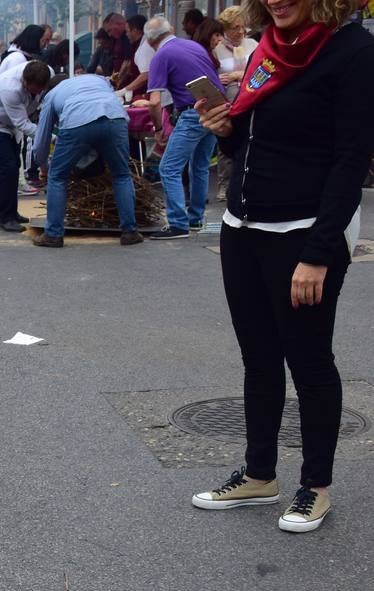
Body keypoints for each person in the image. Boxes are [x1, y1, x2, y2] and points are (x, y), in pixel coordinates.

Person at [192, 0, 374, 532]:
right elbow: (250, 142)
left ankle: (315, 486)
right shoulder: (269, 51)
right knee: (259, 357)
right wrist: (224, 128)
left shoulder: (355, 53)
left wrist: (318, 254)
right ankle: (259, 474)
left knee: (310, 362)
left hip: (305, 231)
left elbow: (351, 159)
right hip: (243, 226)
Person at [30, 74, 142, 247]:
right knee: (121, 174)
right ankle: (130, 232)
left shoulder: (51, 95)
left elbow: (40, 144)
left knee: (58, 177)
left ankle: (53, 234)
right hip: (115, 118)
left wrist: (44, 167)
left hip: (77, 121)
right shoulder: (97, 79)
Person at [144, 16, 224, 238]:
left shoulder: (161, 55)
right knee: (199, 166)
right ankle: (195, 218)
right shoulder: (193, 46)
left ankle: (178, 224)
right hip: (217, 108)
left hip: (193, 111)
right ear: (171, 29)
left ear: (149, 41)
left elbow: (154, 101)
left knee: (168, 168)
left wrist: (159, 129)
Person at [0, 59, 50, 232]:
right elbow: (22, 124)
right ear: (25, 81)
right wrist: (51, 137)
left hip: (11, 124)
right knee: (7, 167)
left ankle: (12, 211)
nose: (37, 93)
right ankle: (5, 216)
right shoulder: (10, 88)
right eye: (33, 89)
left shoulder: (46, 73)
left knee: (15, 165)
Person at [212, 6, 260, 200]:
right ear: (225, 28)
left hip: (252, 98)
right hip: (228, 101)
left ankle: (248, 182)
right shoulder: (217, 49)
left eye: (243, 27)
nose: (240, 32)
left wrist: (237, 75)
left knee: (251, 138)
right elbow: (213, 75)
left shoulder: (253, 45)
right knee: (226, 142)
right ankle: (224, 184)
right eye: (235, 28)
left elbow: (260, 70)